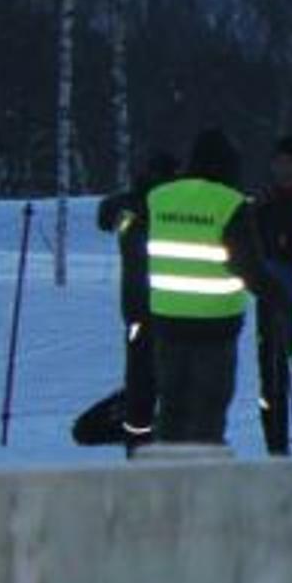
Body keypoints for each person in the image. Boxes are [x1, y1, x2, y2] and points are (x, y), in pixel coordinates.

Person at [142, 130, 263, 447]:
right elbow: (248, 266)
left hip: (167, 323)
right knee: (207, 413)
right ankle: (203, 481)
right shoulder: (230, 203)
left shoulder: (159, 197)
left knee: (171, 409)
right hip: (215, 328)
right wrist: (282, 299)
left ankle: (166, 482)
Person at [92, 148, 176, 452]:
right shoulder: (133, 206)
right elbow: (106, 217)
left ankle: (150, 440)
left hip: (156, 311)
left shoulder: (165, 207)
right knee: (145, 384)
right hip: (147, 312)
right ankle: (140, 441)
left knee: (153, 384)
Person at [242, 135, 292, 455]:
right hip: (270, 303)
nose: (284, 170)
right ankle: (276, 449)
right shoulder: (262, 205)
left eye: (291, 163)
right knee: (272, 382)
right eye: (279, 163)